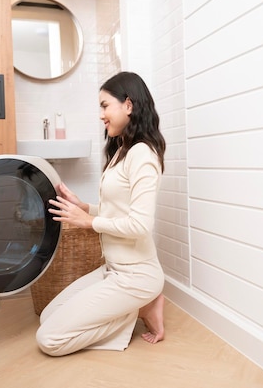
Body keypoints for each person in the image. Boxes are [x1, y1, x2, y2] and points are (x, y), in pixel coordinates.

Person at [35, 71, 166, 357]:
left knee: (49, 340)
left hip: (136, 274)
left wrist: (89, 222)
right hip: (113, 269)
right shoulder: (121, 151)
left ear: (128, 105)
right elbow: (119, 211)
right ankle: (137, 307)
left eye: (105, 106)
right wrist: (86, 208)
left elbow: (141, 225)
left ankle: (142, 306)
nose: (101, 115)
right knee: (48, 317)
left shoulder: (143, 154)